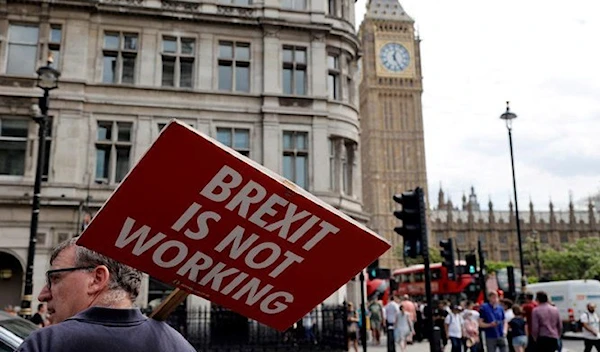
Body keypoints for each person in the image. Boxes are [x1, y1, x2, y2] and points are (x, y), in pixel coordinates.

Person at [17, 238, 196, 352]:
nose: (43, 294)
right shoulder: (178, 345)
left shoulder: (47, 344)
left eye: (55, 278)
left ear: (97, 279)